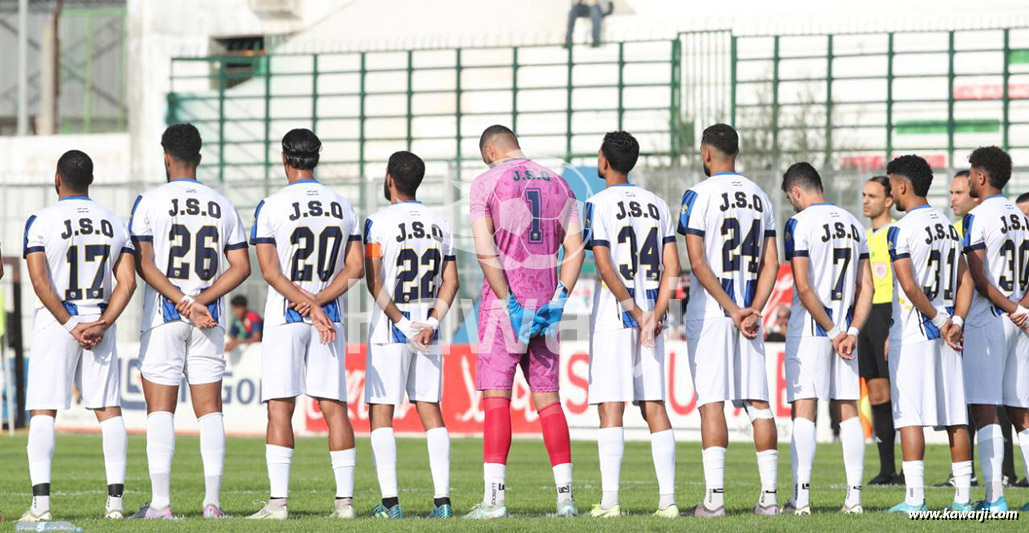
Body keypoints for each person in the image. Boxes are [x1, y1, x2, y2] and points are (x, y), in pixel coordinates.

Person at [130, 124, 251, 519]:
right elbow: (241, 267)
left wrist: (183, 300)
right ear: (199, 157)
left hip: (166, 314)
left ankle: (161, 504)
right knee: (210, 410)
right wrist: (202, 301)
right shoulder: (223, 204)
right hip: (208, 319)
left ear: (165, 156)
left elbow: (144, 264)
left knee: (160, 411)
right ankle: (212, 504)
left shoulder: (149, 201)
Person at [466, 125, 585, 519]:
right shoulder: (559, 184)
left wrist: (507, 301)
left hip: (505, 306)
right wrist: (560, 299)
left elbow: (486, 252)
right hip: (546, 304)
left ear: (489, 150)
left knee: (497, 398)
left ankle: (495, 500)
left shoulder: (486, 182)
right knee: (549, 401)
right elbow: (574, 246)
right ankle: (566, 499)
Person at [246, 129, 363, 520]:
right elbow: (355, 268)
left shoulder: (271, 205)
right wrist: (320, 304)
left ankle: (278, 504)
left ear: (284, 158)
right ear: (316, 158)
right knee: (334, 407)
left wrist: (306, 305)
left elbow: (269, 271)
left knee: (280, 406)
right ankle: (344, 504)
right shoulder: (343, 205)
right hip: (330, 317)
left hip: (286, 315)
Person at [19, 150, 137, 521]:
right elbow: (128, 281)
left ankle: (41, 504)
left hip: (58, 321)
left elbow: (40, 281)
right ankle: (115, 504)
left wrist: (70, 324)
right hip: (99, 319)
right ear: (91, 179)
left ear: (58, 179)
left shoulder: (40, 220)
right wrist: (102, 322)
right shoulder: (114, 221)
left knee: (43, 409)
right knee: (108, 409)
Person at [677, 123, 780, 517]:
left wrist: (732, 309)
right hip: (749, 313)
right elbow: (772, 262)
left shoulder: (697, 195)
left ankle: (715, 500)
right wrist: (753, 308)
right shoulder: (760, 196)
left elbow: (697, 262)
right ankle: (769, 499)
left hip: (715, 313)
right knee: (758, 402)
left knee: (712, 402)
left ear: (706, 154)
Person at [582, 131, 681, 518]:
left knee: (611, 406)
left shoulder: (597, 202)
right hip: (653, 321)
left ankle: (610, 502)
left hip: (615, 316)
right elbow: (672, 266)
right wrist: (655, 315)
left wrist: (636, 313)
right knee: (654, 404)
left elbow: (604, 265)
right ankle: (668, 502)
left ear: (605, 160)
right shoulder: (657, 205)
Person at [363, 151, 460, 519]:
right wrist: (431, 323)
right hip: (428, 331)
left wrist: (402, 324)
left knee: (381, 412)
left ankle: (390, 504)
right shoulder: (441, 224)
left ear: (390, 179)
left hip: (393, 328)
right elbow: (451, 280)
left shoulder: (377, 221)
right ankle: (443, 502)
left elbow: (374, 280)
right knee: (430, 410)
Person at [779, 162, 873, 514]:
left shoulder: (799, 223)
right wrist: (851, 332)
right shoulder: (852, 222)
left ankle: (801, 499)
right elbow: (868, 288)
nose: (792, 203)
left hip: (813, 330)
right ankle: (854, 498)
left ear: (797, 192)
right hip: (846, 332)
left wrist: (832, 332)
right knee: (847, 410)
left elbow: (803, 286)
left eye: (791, 198)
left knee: (805, 408)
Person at [882, 154, 972, 513]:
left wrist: (937, 319)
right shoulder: (950, 226)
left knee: (910, 415)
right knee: (955, 415)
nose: (891, 196)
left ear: (903, 186)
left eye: (891, 188)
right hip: (950, 333)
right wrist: (956, 321)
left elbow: (907, 284)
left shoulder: (900, 229)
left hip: (918, 331)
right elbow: (966, 279)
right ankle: (963, 499)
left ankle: (915, 499)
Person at [954, 146, 1029, 512]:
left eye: (970, 174)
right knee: (1021, 410)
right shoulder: (1020, 214)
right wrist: (1024, 308)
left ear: (981, 177)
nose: (968, 180)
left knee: (984, 408)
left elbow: (979, 277)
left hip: (991, 318)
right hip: (1020, 322)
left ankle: (994, 496)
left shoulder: (977, 216)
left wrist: (1011, 307)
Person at [859, 175, 901, 486]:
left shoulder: (895, 234)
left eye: (872, 196)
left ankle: (905, 468)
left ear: (888, 200)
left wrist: (893, 327)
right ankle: (887, 470)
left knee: (896, 393)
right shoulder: (862, 236)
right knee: (875, 394)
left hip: (888, 312)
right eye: (864, 195)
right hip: (866, 315)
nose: (865, 201)